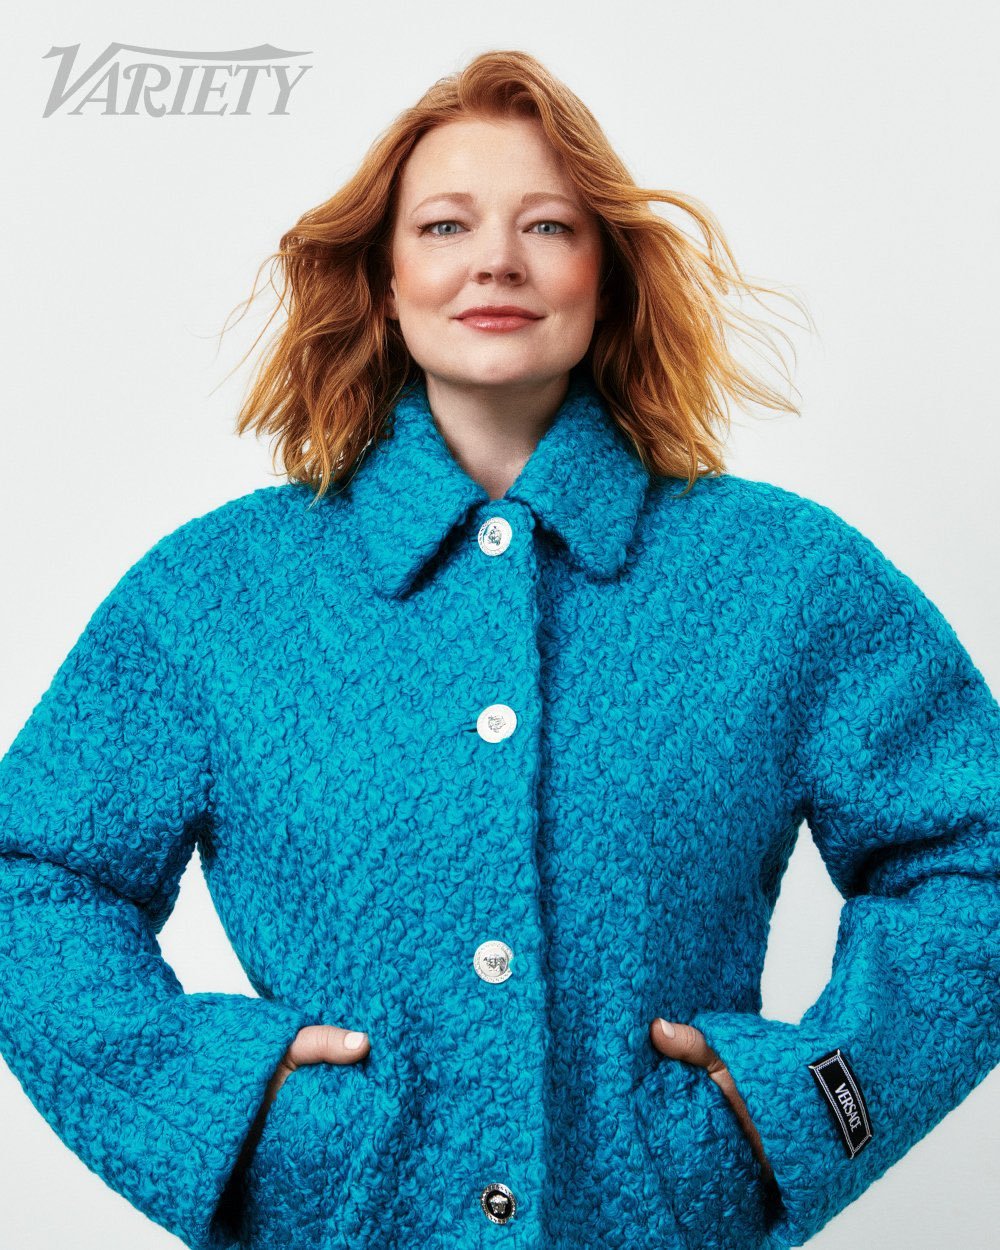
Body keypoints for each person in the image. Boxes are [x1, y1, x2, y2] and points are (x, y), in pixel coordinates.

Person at [0, 47, 997, 1250]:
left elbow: (975, 851)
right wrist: (225, 1097)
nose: (495, 261)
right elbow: (31, 873)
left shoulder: (780, 578)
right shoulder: (218, 593)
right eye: (444, 225)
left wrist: (806, 1103)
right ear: (383, 281)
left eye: (547, 225)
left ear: (604, 276)